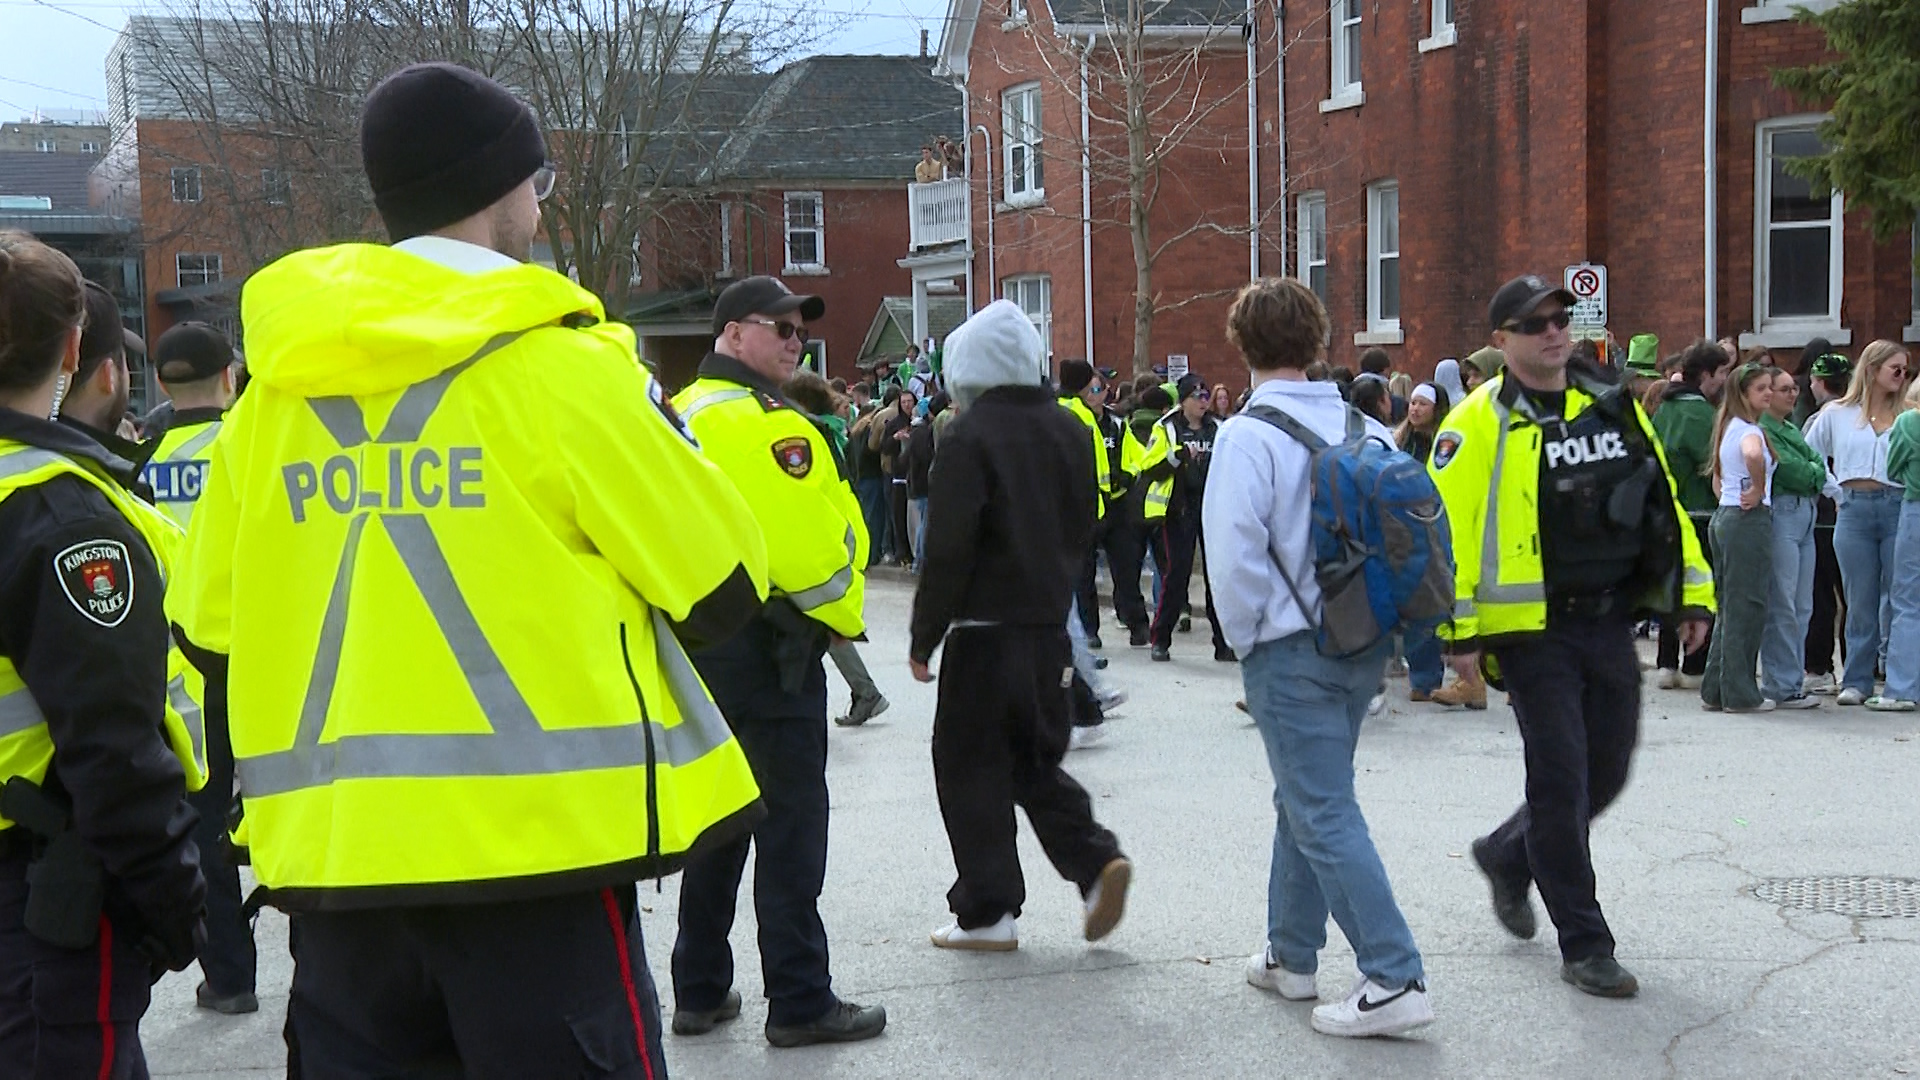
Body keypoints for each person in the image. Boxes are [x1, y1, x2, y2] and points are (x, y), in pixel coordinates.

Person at [169, 64, 771, 1076]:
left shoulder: (269, 402)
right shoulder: (566, 368)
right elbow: (724, 587)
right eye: (540, 183)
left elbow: (208, 629)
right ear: (504, 189)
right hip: (540, 870)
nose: (541, 206)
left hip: (339, 881)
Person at [1432, 274, 1713, 999]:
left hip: (1607, 618)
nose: (1554, 331)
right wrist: (1458, 633)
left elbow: (1661, 500)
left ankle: (1507, 852)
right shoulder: (1475, 423)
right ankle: (1586, 943)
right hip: (1530, 630)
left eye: (1560, 318)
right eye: (1535, 323)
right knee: (1560, 782)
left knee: (1606, 771)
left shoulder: (1610, 403)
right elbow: (1448, 536)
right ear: (1502, 341)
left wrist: (1691, 593)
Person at [0, 233, 208, 1077]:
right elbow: (114, 746)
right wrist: (176, 903)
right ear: (73, 350)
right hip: (42, 905)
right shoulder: (61, 517)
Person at [1204, 277, 1431, 1038]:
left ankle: (1393, 974)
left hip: (1288, 645)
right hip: (1362, 637)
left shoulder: (1246, 435)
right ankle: (1291, 953)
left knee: (1321, 807)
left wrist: (1246, 642)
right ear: (1318, 338)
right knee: (1303, 795)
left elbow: (1234, 558)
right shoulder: (1364, 425)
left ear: (1242, 342)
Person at [671, 274, 887, 1048]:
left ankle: (699, 987)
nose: (798, 343)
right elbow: (815, 551)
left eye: (801, 331)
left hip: (700, 648)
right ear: (734, 333)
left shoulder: (676, 411)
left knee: (720, 820)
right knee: (791, 829)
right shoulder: (768, 426)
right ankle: (799, 999)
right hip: (775, 650)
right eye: (782, 329)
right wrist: (840, 612)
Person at [907, 300, 1132, 953]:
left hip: (983, 629)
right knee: (1033, 761)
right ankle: (1096, 860)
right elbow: (1083, 521)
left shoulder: (968, 436)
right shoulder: (1071, 429)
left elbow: (948, 546)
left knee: (967, 764)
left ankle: (987, 910)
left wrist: (925, 636)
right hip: (1047, 624)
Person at [126, 319, 262, 1015]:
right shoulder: (254, 445)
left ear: (159, 383)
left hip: (185, 674)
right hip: (268, 657)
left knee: (207, 824)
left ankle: (231, 977)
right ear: (230, 377)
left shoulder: (139, 464)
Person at [1803, 340, 1913, 707]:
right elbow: (1810, 454)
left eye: (1906, 370)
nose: (1901, 375)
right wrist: (1835, 491)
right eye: (1895, 368)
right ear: (1872, 369)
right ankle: (1857, 680)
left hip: (1899, 504)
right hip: (1854, 508)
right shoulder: (1836, 413)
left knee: (1901, 597)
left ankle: (1901, 683)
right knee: (1859, 600)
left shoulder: (1908, 413)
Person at [784, 371, 891, 728]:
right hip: (845, 524)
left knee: (820, 617)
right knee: (825, 619)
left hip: (831, 530)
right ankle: (865, 691)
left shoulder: (808, 433)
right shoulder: (829, 430)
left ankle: (865, 691)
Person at [1650, 340, 1732, 689]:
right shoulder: (1700, 414)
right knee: (1701, 589)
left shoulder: (1664, 408)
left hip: (1665, 510)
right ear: (1707, 374)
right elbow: (1713, 462)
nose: (1725, 380)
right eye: (1723, 372)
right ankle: (1695, 665)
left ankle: (1666, 662)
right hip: (1699, 512)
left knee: (1671, 587)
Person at [1699, 364, 1777, 713]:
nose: (1768, 394)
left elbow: (1717, 478)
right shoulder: (1749, 431)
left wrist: (1733, 494)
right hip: (1747, 520)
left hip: (1725, 515)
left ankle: (1716, 688)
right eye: (1761, 389)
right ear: (1743, 394)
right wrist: (1758, 488)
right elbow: (1753, 454)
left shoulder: (1726, 426)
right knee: (1747, 605)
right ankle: (1741, 694)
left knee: (1729, 605)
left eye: (1769, 387)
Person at [1758, 365, 1829, 710]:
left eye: (1794, 388)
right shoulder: (1763, 428)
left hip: (1805, 514)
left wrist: (1813, 473)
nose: (1792, 394)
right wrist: (1813, 473)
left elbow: (1818, 464)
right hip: (1783, 512)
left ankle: (1791, 678)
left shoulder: (1790, 428)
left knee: (1803, 603)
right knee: (1783, 601)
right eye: (1784, 389)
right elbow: (1790, 470)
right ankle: (1780, 684)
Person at [1149, 374, 1230, 662]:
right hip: (1180, 508)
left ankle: (1223, 643)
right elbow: (1150, 468)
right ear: (1183, 401)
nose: (1203, 402)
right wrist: (1179, 455)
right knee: (1177, 574)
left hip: (1212, 507)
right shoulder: (1167, 428)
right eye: (1197, 397)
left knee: (1216, 576)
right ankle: (1161, 638)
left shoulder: (1218, 428)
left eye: (1206, 396)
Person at [1798, 351, 1852, 693]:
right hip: (1852, 514)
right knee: (1855, 597)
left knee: (1820, 597)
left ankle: (1819, 669)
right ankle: (1858, 668)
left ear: (1819, 382)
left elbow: (1808, 465)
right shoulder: (1862, 418)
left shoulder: (1816, 422)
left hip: (1821, 519)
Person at [1395, 382, 1451, 704]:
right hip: (1404, 526)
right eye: (1413, 403)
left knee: (1431, 597)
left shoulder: (1445, 443)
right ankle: (1422, 674)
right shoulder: (1399, 441)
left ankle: (1429, 676)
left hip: (1438, 524)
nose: (1415, 409)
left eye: (1422, 404)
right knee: (1414, 599)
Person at [1878, 379, 1920, 711]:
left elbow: (1893, 469)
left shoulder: (1908, 422)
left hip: (1916, 508)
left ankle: (1902, 689)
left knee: (1907, 600)